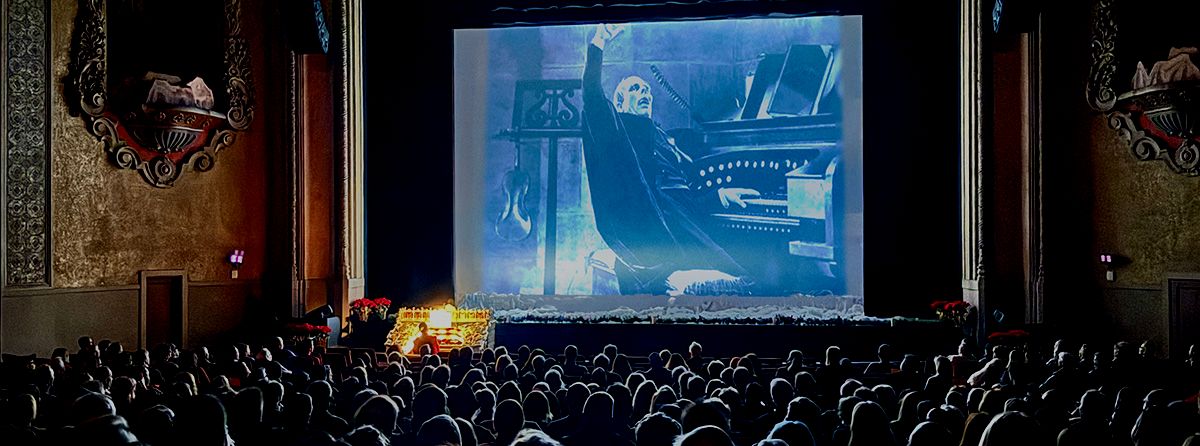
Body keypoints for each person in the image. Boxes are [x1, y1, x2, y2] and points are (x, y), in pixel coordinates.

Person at [581, 23, 754, 295]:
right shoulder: (616, 131)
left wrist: (719, 195)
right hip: (655, 232)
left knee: (747, 274)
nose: (645, 94)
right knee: (744, 282)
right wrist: (598, 43)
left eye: (648, 91)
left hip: (682, 225)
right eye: (636, 89)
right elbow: (592, 96)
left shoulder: (660, 136)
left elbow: (678, 197)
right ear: (620, 102)